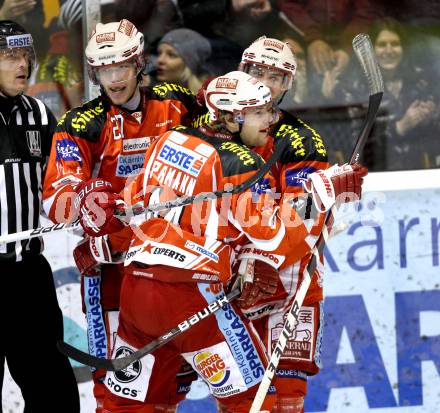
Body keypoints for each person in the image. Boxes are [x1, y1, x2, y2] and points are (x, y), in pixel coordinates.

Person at [73, 70, 367, 412]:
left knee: (125, 406)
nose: (270, 120)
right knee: (256, 403)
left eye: (269, 110)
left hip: (137, 294)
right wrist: (324, 191)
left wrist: (100, 244)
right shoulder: (241, 162)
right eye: (259, 112)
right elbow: (275, 234)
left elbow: (130, 210)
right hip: (194, 299)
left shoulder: (167, 139)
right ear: (230, 117)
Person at [41, 19, 199, 413]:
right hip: (111, 267)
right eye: (103, 71)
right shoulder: (81, 123)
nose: (113, 79)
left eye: (121, 68)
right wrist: (86, 199)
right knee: (117, 382)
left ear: (138, 64)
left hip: (172, 262)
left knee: (172, 379)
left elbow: (216, 148)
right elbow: (57, 195)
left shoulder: (176, 101)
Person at [237, 36, 367, 412]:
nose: (264, 82)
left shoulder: (302, 140)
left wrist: (330, 198)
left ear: (288, 84)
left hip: (290, 279)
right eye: (256, 72)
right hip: (232, 278)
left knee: (288, 395)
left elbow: (304, 217)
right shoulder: (217, 127)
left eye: (274, 76)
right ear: (242, 70)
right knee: (243, 395)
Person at [0, 20, 79, 412]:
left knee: (53, 389)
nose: (23, 65)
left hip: (27, 273)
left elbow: (63, 180)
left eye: (27, 56)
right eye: (11, 56)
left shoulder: (38, 115)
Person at [152, 28, 212, 94]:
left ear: (190, 64)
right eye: (159, 53)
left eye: (171, 55)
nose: (160, 60)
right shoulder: (151, 94)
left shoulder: (208, 99)